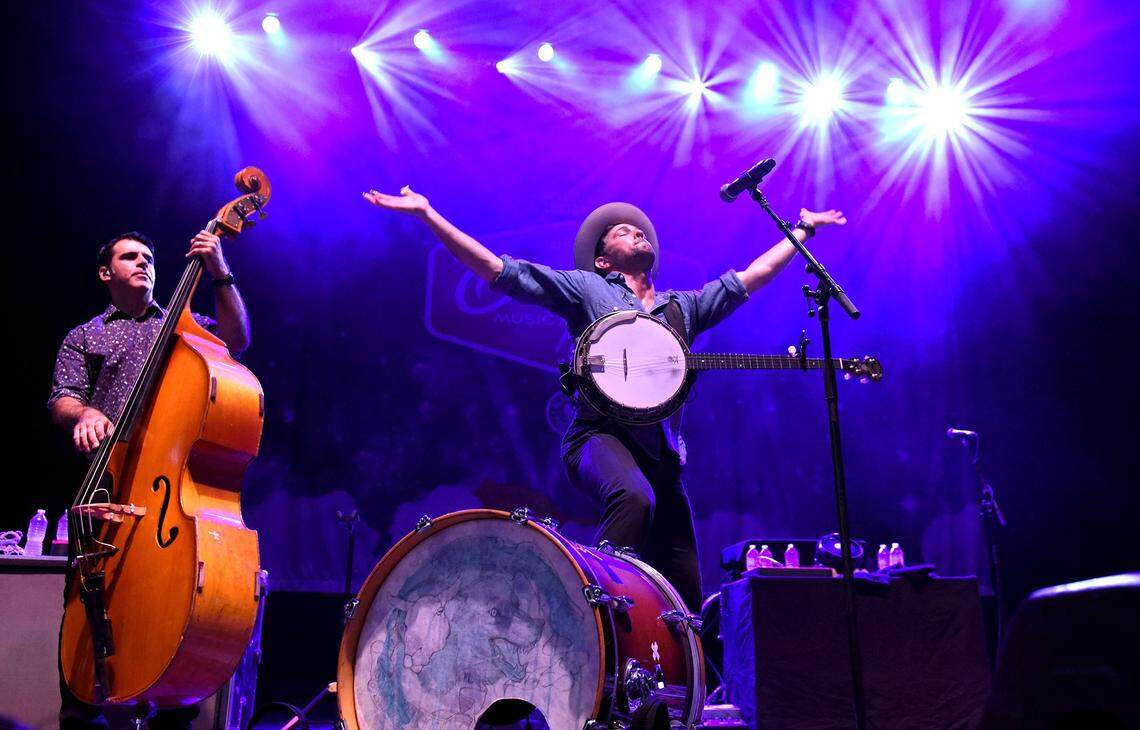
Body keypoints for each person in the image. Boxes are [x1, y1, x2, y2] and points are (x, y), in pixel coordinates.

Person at [364, 186, 845, 611]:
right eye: (621, 232)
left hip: (661, 456)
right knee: (634, 498)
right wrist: (429, 215)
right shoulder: (588, 288)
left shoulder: (685, 308)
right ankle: (594, 618)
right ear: (602, 260)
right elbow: (498, 270)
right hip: (598, 436)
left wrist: (803, 230)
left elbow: (752, 276)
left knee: (686, 591)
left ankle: (680, 695)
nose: (636, 232)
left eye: (640, 230)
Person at [48, 229, 250, 729]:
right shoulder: (86, 335)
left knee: (170, 625)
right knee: (86, 615)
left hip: (165, 497)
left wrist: (220, 271)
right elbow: (62, 397)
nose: (142, 262)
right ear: (105, 272)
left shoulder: (186, 327)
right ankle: (82, 706)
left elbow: (236, 340)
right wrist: (86, 414)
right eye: (129, 256)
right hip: (106, 488)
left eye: (149, 257)